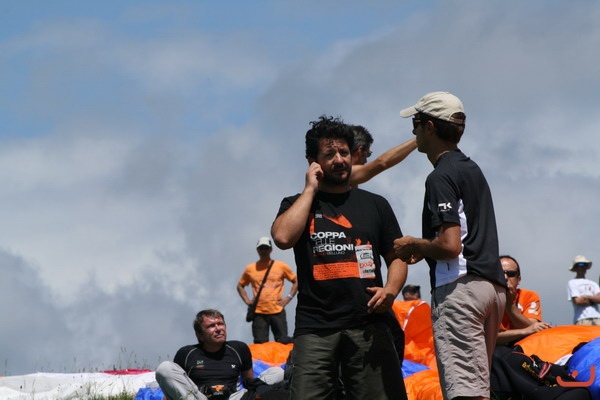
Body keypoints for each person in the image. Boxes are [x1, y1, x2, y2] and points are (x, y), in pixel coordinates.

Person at [271, 115, 408, 400]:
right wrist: (310, 190)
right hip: (315, 329)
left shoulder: (376, 205)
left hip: (369, 324)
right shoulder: (296, 204)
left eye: (344, 153)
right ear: (313, 161)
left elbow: (397, 257)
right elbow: (282, 238)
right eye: (329, 154)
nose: (339, 160)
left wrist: (391, 290)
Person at [393, 91, 506, 400]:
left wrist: (414, 245)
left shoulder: (440, 176)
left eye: (416, 123)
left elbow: (450, 245)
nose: (413, 130)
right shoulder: (471, 168)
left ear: (429, 127)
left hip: (461, 288)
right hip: (492, 287)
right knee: (478, 388)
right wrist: (426, 248)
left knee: (465, 393)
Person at [155, 309, 283, 400]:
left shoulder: (239, 348)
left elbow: (250, 383)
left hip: (232, 398)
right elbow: (176, 386)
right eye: (211, 326)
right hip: (199, 397)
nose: (218, 329)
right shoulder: (187, 353)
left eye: (221, 324)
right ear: (200, 335)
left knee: (278, 372)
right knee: (165, 368)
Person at [237, 236, 298, 344]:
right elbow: (240, 286)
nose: (263, 251)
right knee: (260, 344)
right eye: (261, 248)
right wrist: (247, 301)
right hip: (259, 312)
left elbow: (296, 281)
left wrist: (288, 298)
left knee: (283, 342)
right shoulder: (251, 268)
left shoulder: (281, 266)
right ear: (257, 250)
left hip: (277, 310)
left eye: (266, 248)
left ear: (270, 249)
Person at [496, 255, 551, 345]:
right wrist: (524, 331)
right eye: (500, 273)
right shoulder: (486, 298)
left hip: (523, 346)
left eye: (511, 274)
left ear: (519, 279)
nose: (505, 277)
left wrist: (510, 306)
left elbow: (533, 328)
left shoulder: (529, 296)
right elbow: (487, 336)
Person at [349, 124, 417, 186]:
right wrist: (418, 140)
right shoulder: (345, 173)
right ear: (359, 151)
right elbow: (381, 163)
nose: (365, 161)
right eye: (367, 154)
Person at [567, 255, 600, 325]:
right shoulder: (572, 282)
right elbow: (578, 301)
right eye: (580, 265)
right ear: (576, 267)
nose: (583, 267)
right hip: (582, 319)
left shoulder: (593, 283)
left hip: (597, 318)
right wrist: (594, 300)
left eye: (585, 265)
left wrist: (587, 297)